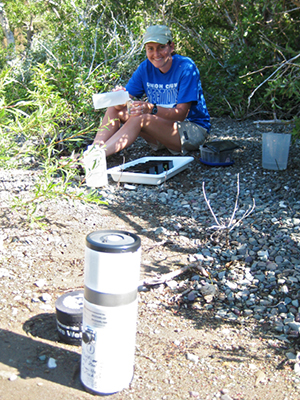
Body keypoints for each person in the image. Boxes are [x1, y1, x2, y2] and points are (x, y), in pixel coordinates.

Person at [93, 25, 210, 157]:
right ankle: (93, 150)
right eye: (150, 49)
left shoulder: (186, 67)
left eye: (161, 47)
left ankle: (97, 157)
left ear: (171, 47)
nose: (156, 54)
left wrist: (151, 109)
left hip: (191, 130)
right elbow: (121, 105)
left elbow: (181, 114)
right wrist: (118, 97)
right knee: (114, 109)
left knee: (141, 119)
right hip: (160, 129)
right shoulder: (145, 68)